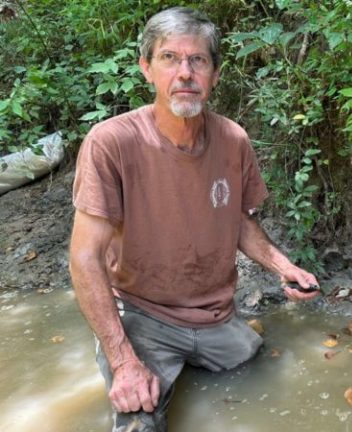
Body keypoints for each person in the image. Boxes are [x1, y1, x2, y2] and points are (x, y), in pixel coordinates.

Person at [68, 7, 320, 431]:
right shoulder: (111, 142)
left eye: (198, 60)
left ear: (215, 75)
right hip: (143, 314)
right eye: (169, 58)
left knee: (260, 370)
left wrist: (285, 267)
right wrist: (123, 359)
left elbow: (238, 222)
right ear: (146, 68)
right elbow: (84, 259)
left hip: (215, 315)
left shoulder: (232, 140)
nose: (184, 72)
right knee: (139, 419)